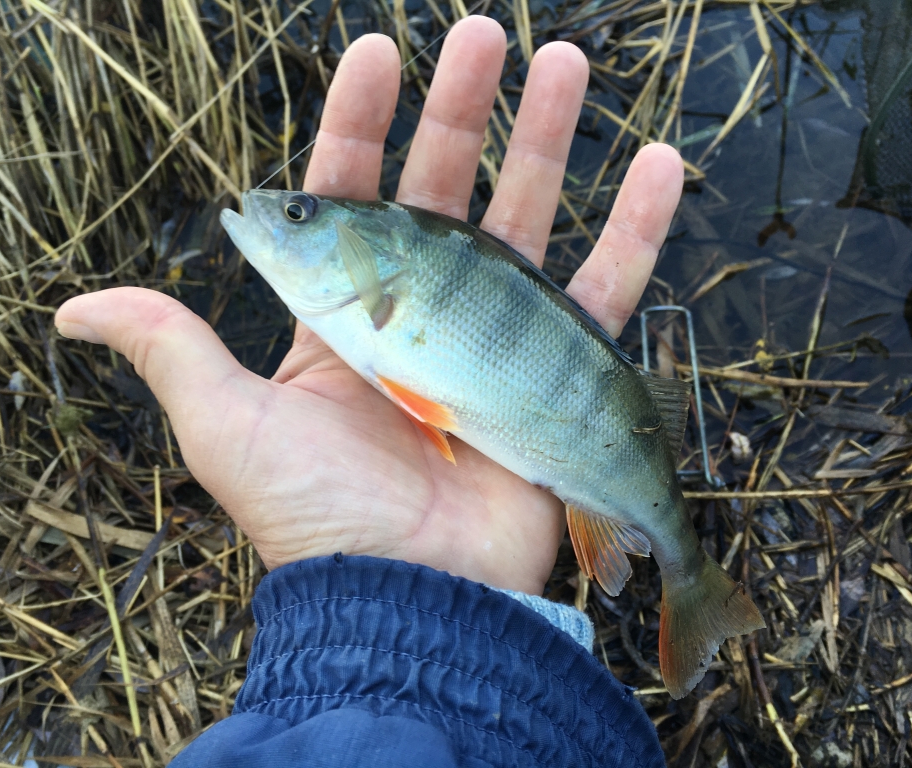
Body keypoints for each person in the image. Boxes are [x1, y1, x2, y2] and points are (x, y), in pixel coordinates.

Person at [56, 16, 684, 767]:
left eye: (299, 213)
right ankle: (688, 571)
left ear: (368, 257)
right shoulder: (364, 304)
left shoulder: (377, 296)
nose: (280, 209)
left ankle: (690, 576)